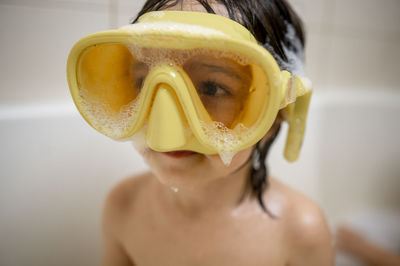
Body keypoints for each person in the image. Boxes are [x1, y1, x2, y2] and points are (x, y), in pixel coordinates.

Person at [66, 0, 334, 265]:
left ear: (278, 112)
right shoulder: (123, 205)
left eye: (211, 88)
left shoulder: (300, 232)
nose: (164, 132)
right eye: (143, 81)